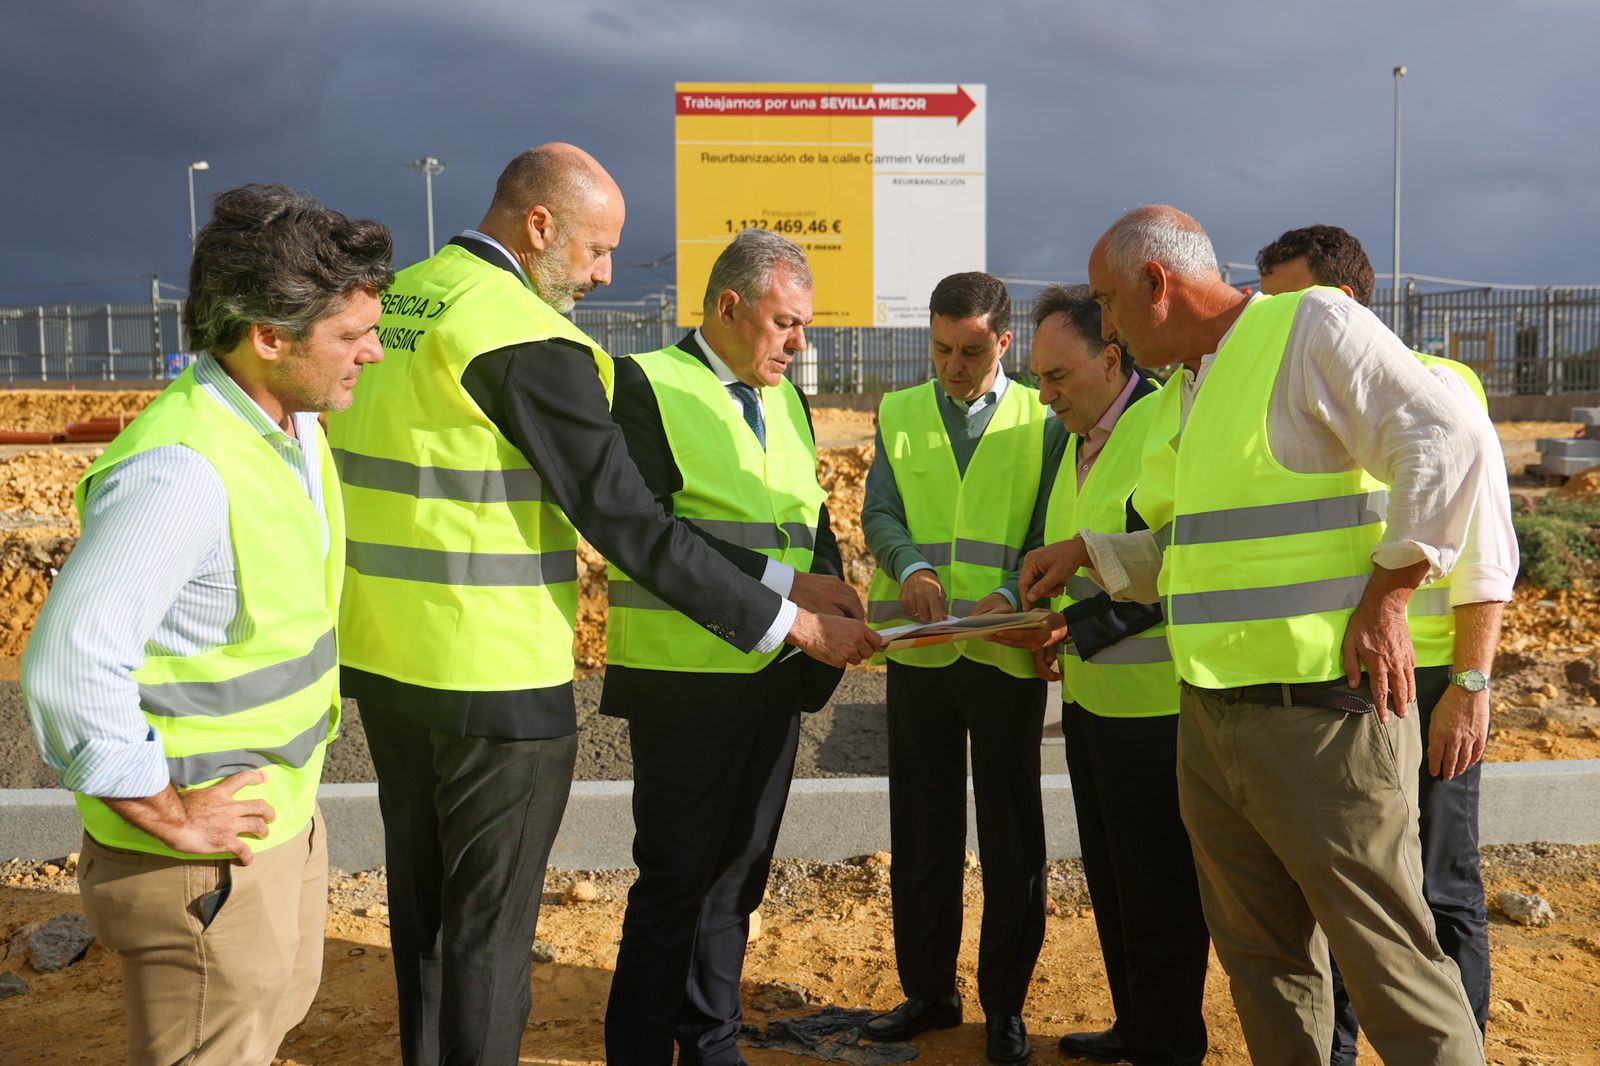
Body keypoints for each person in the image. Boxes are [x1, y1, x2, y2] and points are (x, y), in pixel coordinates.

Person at [325, 144, 878, 1066]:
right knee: (491, 937)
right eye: (594, 251)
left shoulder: (395, 303)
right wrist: (791, 622)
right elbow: (629, 525)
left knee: (423, 922)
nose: (605, 274)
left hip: (386, 661)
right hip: (490, 672)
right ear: (538, 225)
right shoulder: (523, 334)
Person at [1020, 205, 1492, 1064]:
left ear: (1157, 285)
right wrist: (1089, 553)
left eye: (1108, 302)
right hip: (1212, 721)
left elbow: (1446, 437)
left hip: (1322, 723)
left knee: (1392, 970)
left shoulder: (1309, 324)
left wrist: (1390, 594)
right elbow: (1201, 545)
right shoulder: (1199, 383)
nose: (1107, 325)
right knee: (1265, 966)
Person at [23, 183, 393, 1064]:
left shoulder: (289, 422)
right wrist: (170, 816)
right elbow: (69, 670)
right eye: (350, 335)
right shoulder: (180, 472)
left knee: (264, 1023)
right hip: (198, 864)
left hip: (271, 827)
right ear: (267, 336)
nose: (374, 353)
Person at [601, 229, 865, 1066]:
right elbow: (649, 533)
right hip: (685, 681)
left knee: (738, 880)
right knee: (675, 882)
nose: (800, 344)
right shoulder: (646, 384)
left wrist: (825, 582)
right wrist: (790, 588)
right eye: (786, 323)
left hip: (774, 675)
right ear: (727, 308)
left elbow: (809, 517)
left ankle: (711, 1044)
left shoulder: (785, 396)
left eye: (805, 326)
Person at [1257, 223, 1516, 1064]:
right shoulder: (1292, 400)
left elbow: (1486, 559)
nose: (1275, 321)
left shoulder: (1443, 388)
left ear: (1346, 305)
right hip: (1353, 679)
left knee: (1441, 887)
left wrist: (1469, 684)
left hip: (1432, 676)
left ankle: (1458, 1049)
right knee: (1341, 892)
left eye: (1293, 302)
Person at [990, 285, 1209, 1065]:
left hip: (1155, 711)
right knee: (1116, 889)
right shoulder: (1076, 442)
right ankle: (1136, 1027)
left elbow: (1169, 563)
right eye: (1039, 380)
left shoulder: (1161, 421)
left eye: (1056, 376)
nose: (1043, 395)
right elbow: (1078, 563)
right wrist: (1051, 624)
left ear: (1111, 358)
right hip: (1091, 702)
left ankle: (1170, 1044)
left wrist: (1069, 625)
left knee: (1160, 897)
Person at [860, 271, 1063, 1065]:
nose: (953, 364)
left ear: (1003, 343)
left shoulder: (1039, 419)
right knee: (922, 830)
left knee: (1013, 838)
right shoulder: (901, 412)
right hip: (922, 652)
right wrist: (908, 568)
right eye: (941, 348)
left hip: (1002, 654)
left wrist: (1012, 593)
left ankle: (1004, 1007)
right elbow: (880, 509)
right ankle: (930, 992)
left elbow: (1054, 520)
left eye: (971, 351)